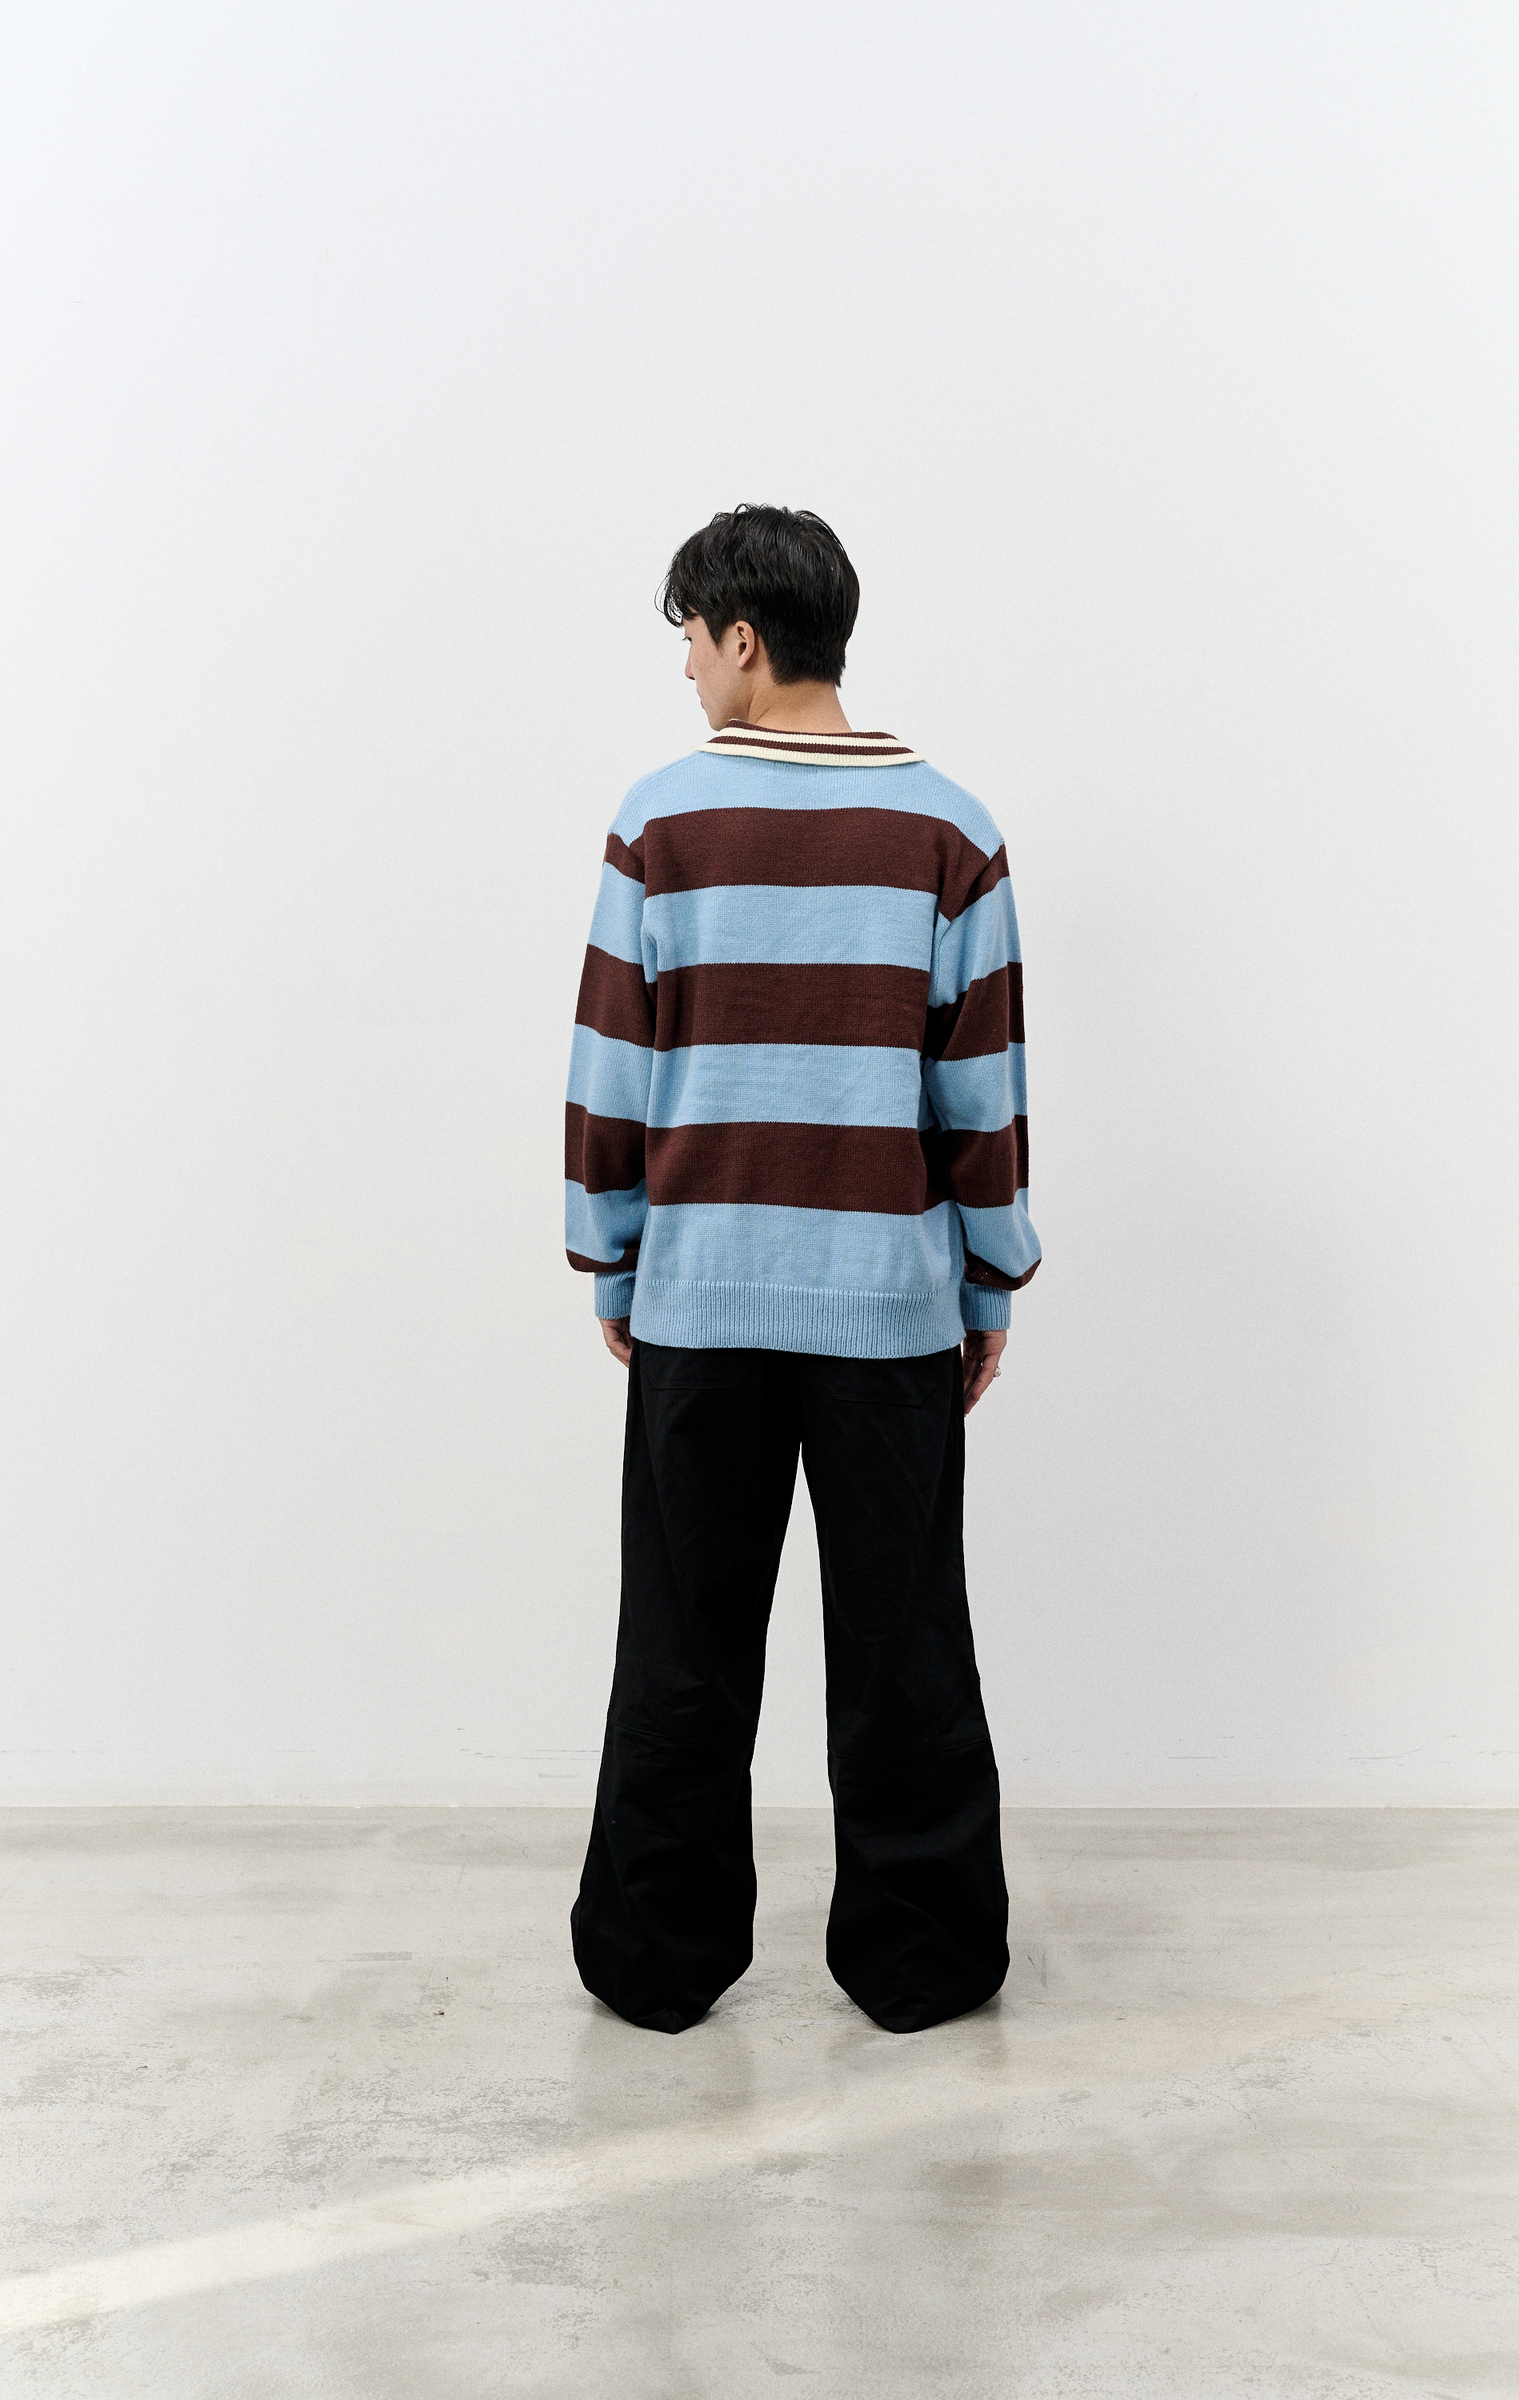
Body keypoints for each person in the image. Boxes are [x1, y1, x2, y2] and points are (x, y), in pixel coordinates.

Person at [563, 504, 1040, 2035]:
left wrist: (614, 1260)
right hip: (888, 1316)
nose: (687, 672)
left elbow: (611, 1070)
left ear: (745, 639)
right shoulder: (951, 832)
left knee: (682, 1649)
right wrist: (986, 1284)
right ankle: (924, 1960)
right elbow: (982, 1097)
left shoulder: (661, 824)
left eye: (691, 642)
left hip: (700, 1306)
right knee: (905, 1648)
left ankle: (657, 1960)